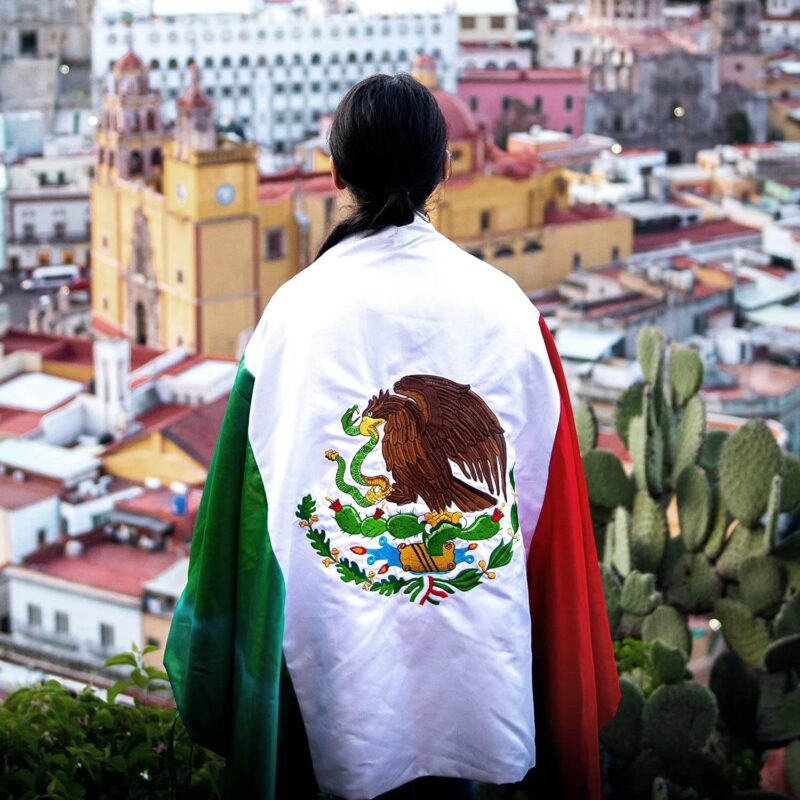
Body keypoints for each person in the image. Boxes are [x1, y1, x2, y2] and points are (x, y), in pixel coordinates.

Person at [165, 73, 620, 800]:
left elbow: (243, 518)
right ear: (444, 171)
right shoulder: (510, 313)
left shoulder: (292, 316)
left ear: (337, 174)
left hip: (334, 678)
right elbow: (548, 512)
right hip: (479, 682)